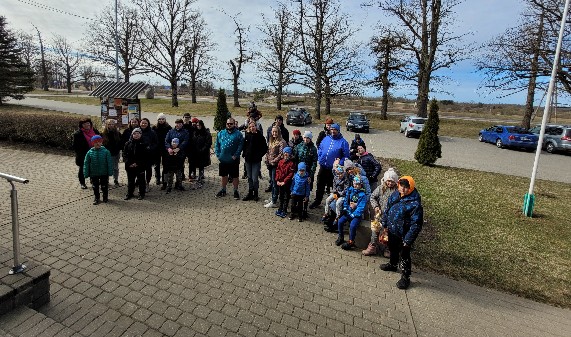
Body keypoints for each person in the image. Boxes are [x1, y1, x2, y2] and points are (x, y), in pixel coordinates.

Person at [379, 176, 423, 290]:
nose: (403, 189)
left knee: (404, 255)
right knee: (392, 248)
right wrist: (384, 224)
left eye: (406, 187)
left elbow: (416, 224)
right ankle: (393, 265)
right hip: (392, 230)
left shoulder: (415, 204)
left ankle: (405, 276)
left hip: (404, 234)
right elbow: (387, 209)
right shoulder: (394, 195)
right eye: (401, 186)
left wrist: (408, 240)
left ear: (411, 188)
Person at [309, 123, 350, 209]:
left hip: (334, 170)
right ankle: (317, 200)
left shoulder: (343, 142)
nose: (333, 131)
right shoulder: (326, 138)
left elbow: (346, 156)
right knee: (320, 184)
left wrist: (339, 162)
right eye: (331, 129)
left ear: (338, 131)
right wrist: (320, 157)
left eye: (335, 130)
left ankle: (333, 205)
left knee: (334, 187)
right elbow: (320, 148)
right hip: (323, 167)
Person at [363, 168, 399, 256]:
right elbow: (372, 197)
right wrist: (375, 206)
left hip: (391, 217)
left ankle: (387, 249)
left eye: (392, 182)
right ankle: (372, 247)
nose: (390, 183)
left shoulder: (397, 191)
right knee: (375, 231)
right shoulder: (381, 188)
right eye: (388, 181)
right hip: (379, 215)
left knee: (388, 233)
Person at [335, 176, 368, 250]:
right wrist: (345, 208)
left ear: (361, 185)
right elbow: (346, 201)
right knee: (340, 221)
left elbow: (361, 207)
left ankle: (351, 241)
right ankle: (341, 237)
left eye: (358, 184)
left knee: (352, 226)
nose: (356, 186)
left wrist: (354, 214)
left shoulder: (362, 195)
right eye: (355, 184)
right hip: (348, 212)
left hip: (356, 215)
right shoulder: (350, 191)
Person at [214, 117, 244, 199]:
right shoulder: (221, 133)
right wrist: (218, 154)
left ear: (234, 124)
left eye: (231, 124)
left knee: (235, 176)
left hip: (233, 159)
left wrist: (236, 155)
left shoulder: (238, 134)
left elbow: (240, 145)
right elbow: (217, 144)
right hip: (223, 159)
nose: (229, 125)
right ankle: (223, 190)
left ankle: (235, 191)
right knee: (224, 175)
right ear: (226, 124)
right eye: (228, 123)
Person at [242, 121, 268, 201]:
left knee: (254, 178)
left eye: (253, 126)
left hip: (256, 161)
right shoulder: (247, 135)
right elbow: (244, 146)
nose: (251, 128)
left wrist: (259, 155)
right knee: (249, 177)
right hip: (248, 160)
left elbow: (265, 148)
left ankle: (256, 193)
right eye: (250, 127)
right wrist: (245, 153)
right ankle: (250, 192)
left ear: (256, 127)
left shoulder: (260, 136)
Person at [83, 135, 113, 205]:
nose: (97, 143)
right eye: (95, 142)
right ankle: (97, 198)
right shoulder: (89, 152)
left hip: (104, 172)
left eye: (99, 142)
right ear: (92, 143)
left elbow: (109, 162)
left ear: (101, 143)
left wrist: (110, 172)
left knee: (104, 186)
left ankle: (105, 197)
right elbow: (86, 163)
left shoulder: (106, 152)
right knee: (95, 186)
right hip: (94, 173)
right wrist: (86, 173)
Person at [72, 118, 100, 189]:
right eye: (84, 124)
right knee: (82, 169)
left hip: (94, 154)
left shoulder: (95, 131)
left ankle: (92, 180)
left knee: (94, 168)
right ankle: (82, 183)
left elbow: (100, 140)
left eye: (88, 123)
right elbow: (76, 146)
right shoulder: (78, 134)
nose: (87, 125)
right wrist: (83, 154)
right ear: (81, 125)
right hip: (83, 155)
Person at [123, 128, 149, 200]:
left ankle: (141, 194)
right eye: (134, 133)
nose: (136, 135)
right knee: (130, 181)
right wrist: (129, 163)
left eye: (138, 133)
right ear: (132, 134)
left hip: (140, 166)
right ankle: (130, 193)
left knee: (141, 181)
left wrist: (137, 163)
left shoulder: (144, 144)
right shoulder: (127, 143)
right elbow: (124, 155)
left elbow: (146, 156)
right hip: (130, 166)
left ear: (141, 134)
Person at [264, 126, 287, 207]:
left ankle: (274, 201)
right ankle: (273, 197)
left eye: (276, 132)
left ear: (279, 132)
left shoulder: (282, 142)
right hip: (270, 164)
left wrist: (273, 161)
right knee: (272, 182)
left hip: (276, 165)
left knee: (275, 182)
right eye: (273, 132)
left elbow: (281, 155)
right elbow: (268, 151)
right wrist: (266, 159)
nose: (274, 133)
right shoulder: (271, 140)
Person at [322, 164, 348, 231]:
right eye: (337, 174)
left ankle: (337, 217)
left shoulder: (346, 179)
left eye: (340, 174)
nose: (339, 176)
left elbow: (346, 189)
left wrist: (339, 194)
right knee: (328, 200)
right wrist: (335, 192)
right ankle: (326, 214)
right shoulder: (335, 177)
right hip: (336, 193)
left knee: (337, 203)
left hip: (342, 195)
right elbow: (334, 186)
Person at [274, 147, 295, 218]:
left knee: (286, 197)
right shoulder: (280, 161)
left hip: (286, 183)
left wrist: (284, 181)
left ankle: (284, 210)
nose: (286, 154)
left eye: (287, 153)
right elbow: (277, 170)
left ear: (290, 154)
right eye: (285, 152)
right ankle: (280, 208)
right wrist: (277, 179)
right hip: (280, 182)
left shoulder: (291, 164)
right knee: (281, 196)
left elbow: (290, 174)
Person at [152, 113, 172, 186]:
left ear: (165, 119)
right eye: (159, 119)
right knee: (156, 164)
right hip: (157, 149)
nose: (161, 120)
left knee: (165, 164)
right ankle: (157, 178)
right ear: (157, 120)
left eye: (162, 119)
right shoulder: (154, 128)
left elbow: (170, 137)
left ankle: (164, 180)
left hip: (165, 148)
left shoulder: (168, 127)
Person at [100, 119, 121, 186]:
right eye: (109, 124)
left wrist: (117, 150)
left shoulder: (117, 133)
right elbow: (101, 144)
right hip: (106, 153)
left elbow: (120, 143)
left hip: (115, 153)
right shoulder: (103, 134)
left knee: (115, 167)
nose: (111, 125)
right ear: (106, 125)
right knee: (106, 167)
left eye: (112, 124)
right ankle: (106, 180)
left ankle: (116, 180)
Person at [139, 118, 158, 192]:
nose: (143, 124)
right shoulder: (137, 131)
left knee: (148, 170)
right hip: (139, 155)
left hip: (149, 155)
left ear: (148, 124)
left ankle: (147, 183)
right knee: (140, 170)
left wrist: (150, 147)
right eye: (142, 123)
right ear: (140, 123)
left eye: (145, 123)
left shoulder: (152, 132)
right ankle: (141, 184)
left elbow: (156, 143)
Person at [192, 120, 212, 186]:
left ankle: (200, 177)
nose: (198, 126)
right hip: (196, 152)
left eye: (200, 125)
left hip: (203, 152)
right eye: (197, 125)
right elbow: (193, 141)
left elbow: (208, 143)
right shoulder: (195, 132)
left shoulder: (206, 133)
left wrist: (202, 150)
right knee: (196, 164)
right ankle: (196, 175)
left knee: (201, 165)